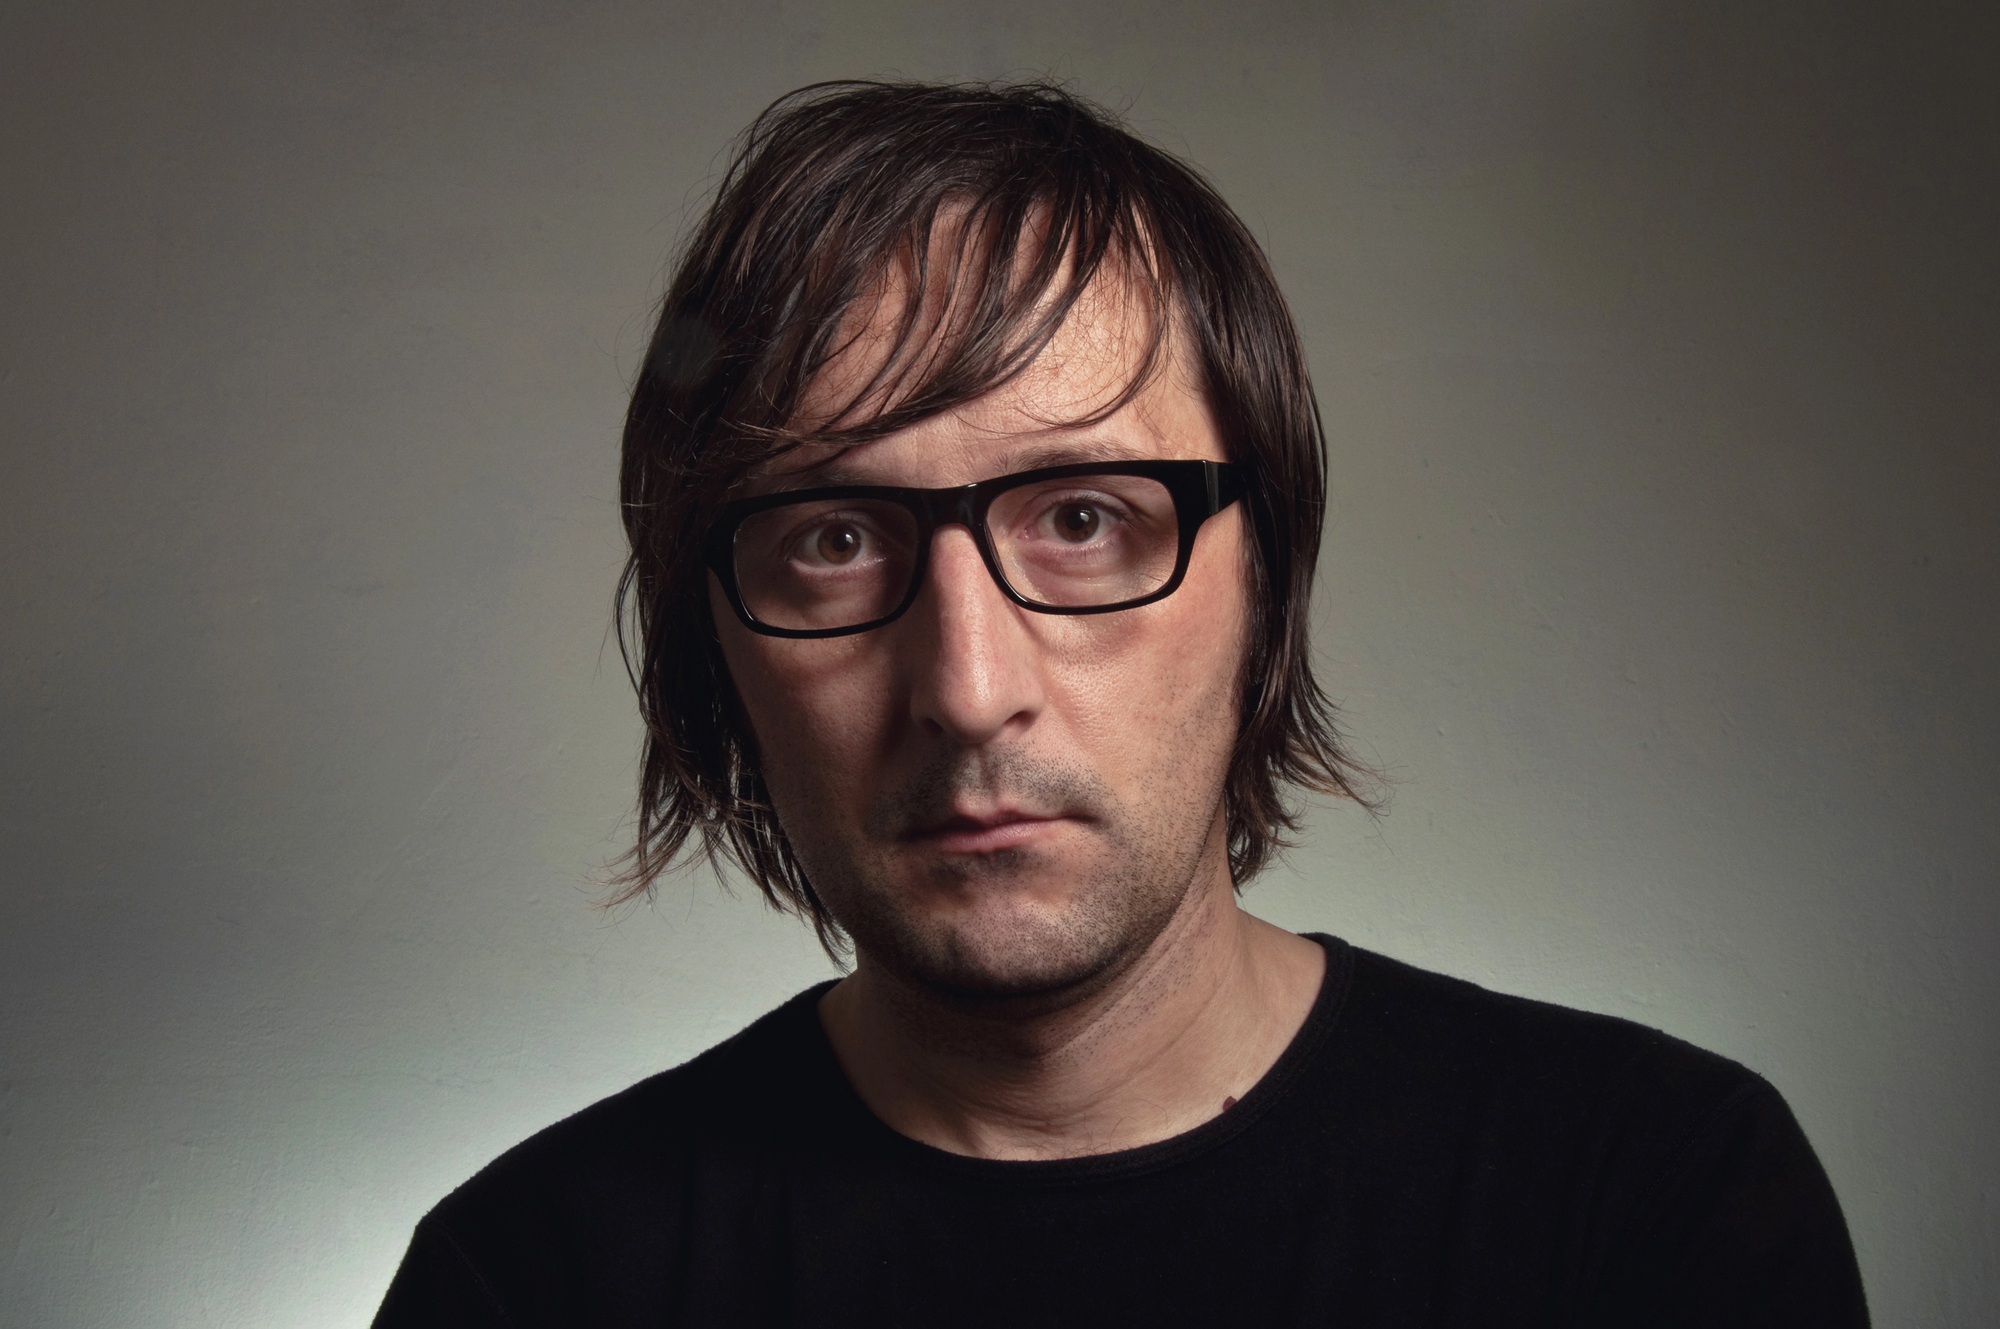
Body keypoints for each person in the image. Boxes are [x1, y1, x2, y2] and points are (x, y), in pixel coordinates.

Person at [374, 81, 1868, 1327]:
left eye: (1084, 519)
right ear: (720, 650)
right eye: (833, 541)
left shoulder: (1655, 1199)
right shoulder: (531, 1283)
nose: (970, 689)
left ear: (1263, 585)